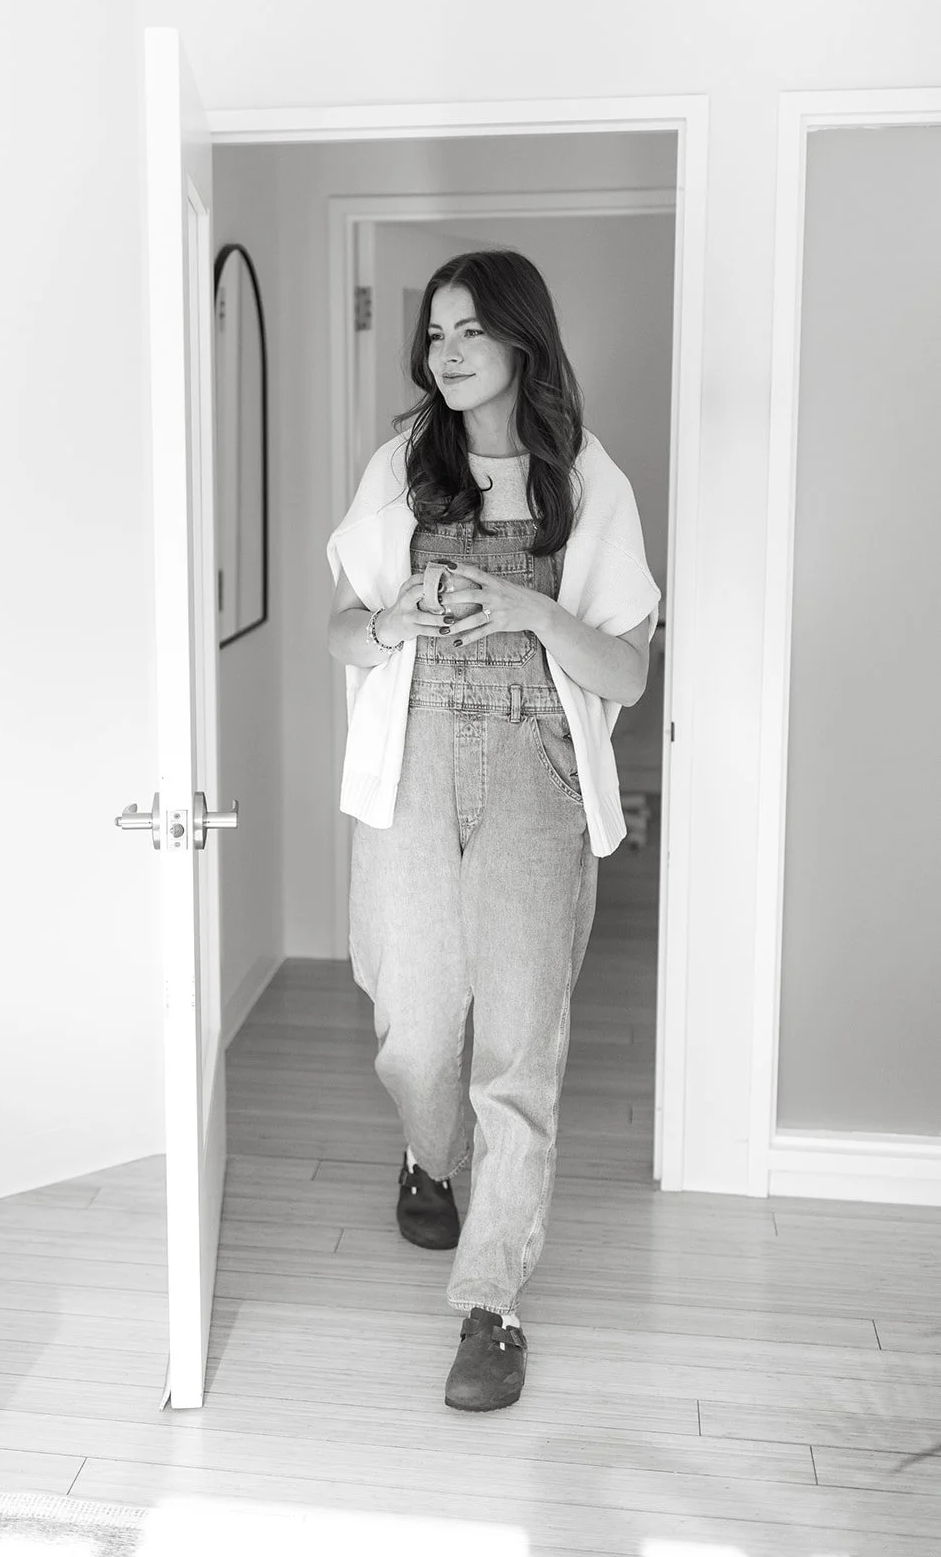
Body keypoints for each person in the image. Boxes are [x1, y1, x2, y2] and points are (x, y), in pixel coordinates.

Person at [326, 249, 661, 1411]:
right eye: (433, 333)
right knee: (412, 1027)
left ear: (521, 339)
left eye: (469, 329)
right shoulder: (400, 469)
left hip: (536, 773)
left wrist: (528, 607)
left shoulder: (586, 484)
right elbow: (338, 636)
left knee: (519, 1045)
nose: (446, 351)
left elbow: (622, 664)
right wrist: (389, 616)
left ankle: (491, 1307)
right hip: (413, 756)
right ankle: (427, 1152)